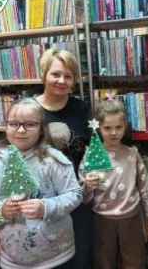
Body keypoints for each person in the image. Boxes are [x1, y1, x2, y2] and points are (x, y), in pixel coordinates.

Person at [0, 98, 82, 269]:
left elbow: (75, 194)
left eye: (29, 124)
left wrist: (46, 207)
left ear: (41, 129)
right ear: (5, 127)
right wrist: (0, 210)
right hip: (13, 260)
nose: (20, 130)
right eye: (14, 124)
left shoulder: (53, 160)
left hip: (58, 256)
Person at [81, 98, 148, 269]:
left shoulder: (132, 154)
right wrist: (87, 186)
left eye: (118, 127)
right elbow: (83, 198)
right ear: (98, 128)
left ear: (125, 127)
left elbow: (145, 189)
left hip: (130, 218)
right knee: (104, 261)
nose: (113, 133)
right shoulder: (91, 155)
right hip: (102, 219)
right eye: (107, 128)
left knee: (134, 260)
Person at [35, 48, 92, 269]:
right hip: (44, 201)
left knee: (81, 257)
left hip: (78, 197)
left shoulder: (81, 108)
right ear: (44, 75)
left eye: (68, 76)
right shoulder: (30, 109)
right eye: (56, 74)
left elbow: (93, 148)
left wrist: (93, 175)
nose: (62, 80)